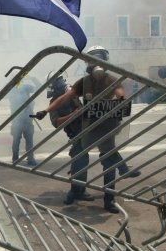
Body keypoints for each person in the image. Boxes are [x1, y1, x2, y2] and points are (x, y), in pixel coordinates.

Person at [39, 46, 141, 214]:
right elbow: (63, 103)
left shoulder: (112, 79)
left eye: (98, 59)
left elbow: (120, 93)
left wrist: (121, 102)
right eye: (92, 59)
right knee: (79, 160)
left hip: (105, 126)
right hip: (84, 130)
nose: (96, 64)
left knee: (108, 163)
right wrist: (48, 111)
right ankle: (76, 191)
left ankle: (110, 199)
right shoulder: (83, 83)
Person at [34, 75, 93, 204]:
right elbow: (56, 122)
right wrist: (73, 115)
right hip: (75, 133)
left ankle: (79, 190)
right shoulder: (54, 102)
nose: (61, 84)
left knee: (83, 160)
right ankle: (76, 191)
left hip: (86, 130)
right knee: (79, 160)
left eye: (61, 80)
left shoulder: (72, 93)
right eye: (58, 82)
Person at [7, 78, 38, 166]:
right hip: (17, 120)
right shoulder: (12, 92)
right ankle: (15, 158)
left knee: (29, 141)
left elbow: (37, 87)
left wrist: (32, 78)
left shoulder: (25, 88)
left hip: (27, 119)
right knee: (16, 140)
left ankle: (30, 158)